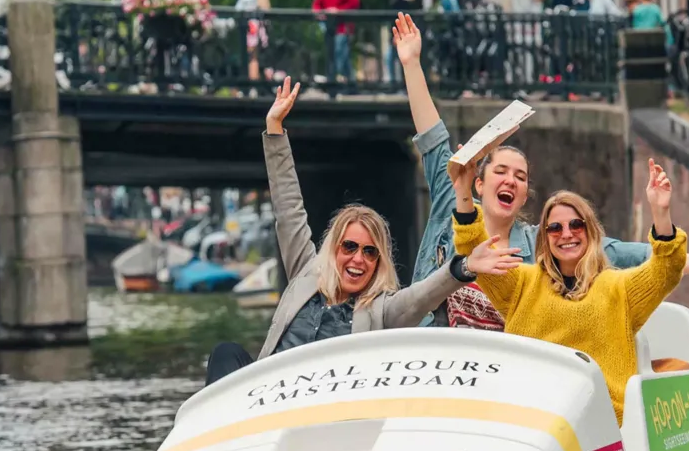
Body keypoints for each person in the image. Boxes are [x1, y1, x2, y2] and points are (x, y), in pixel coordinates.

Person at [391, 11, 689, 329]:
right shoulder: (452, 196)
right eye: (501, 171)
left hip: (497, 366)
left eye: (520, 177)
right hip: (429, 348)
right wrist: (411, 63)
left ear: (524, 195)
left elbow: (620, 252)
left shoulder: (538, 243)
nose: (511, 180)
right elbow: (432, 136)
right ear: (479, 182)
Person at [204, 77, 516, 386]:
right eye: (350, 247)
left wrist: (463, 267)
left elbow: (422, 297)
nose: (358, 259)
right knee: (225, 352)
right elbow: (288, 209)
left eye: (370, 252)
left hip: (326, 405)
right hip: (269, 394)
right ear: (334, 249)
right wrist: (274, 130)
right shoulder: (306, 271)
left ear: (379, 262)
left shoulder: (382, 311)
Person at [456, 158, 687, 424]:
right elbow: (473, 246)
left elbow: (667, 268)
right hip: (527, 417)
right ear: (545, 237)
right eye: (555, 228)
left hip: (598, 423)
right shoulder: (522, 283)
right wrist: (463, 190)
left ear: (590, 231)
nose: (566, 233)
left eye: (576, 225)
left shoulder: (619, 288)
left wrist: (661, 212)